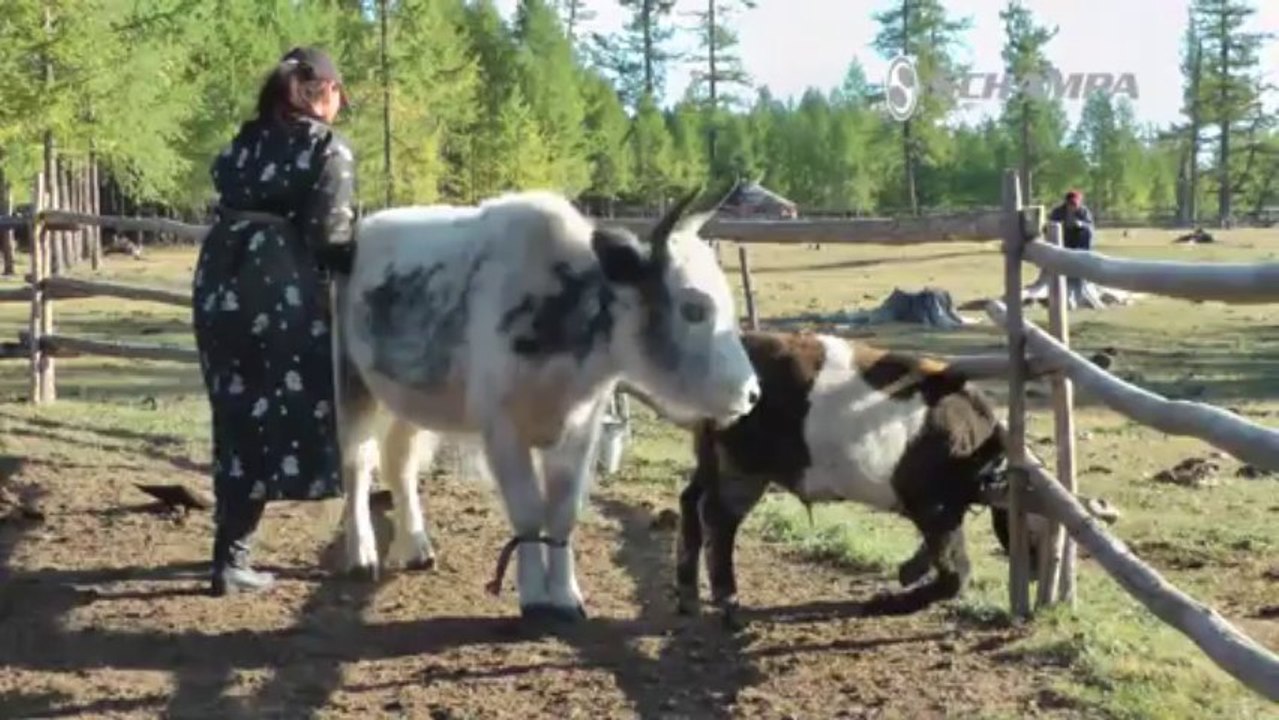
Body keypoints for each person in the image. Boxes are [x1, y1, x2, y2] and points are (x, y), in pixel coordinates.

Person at [192, 46, 356, 596]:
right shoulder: (326, 147)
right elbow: (330, 235)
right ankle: (234, 560)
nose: (340, 105)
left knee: (235, 410)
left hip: (220, 277)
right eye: (338, 93)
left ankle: (230, 555)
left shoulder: (246, 140)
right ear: (321, 92)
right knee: (274, 410)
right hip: (276, 287)